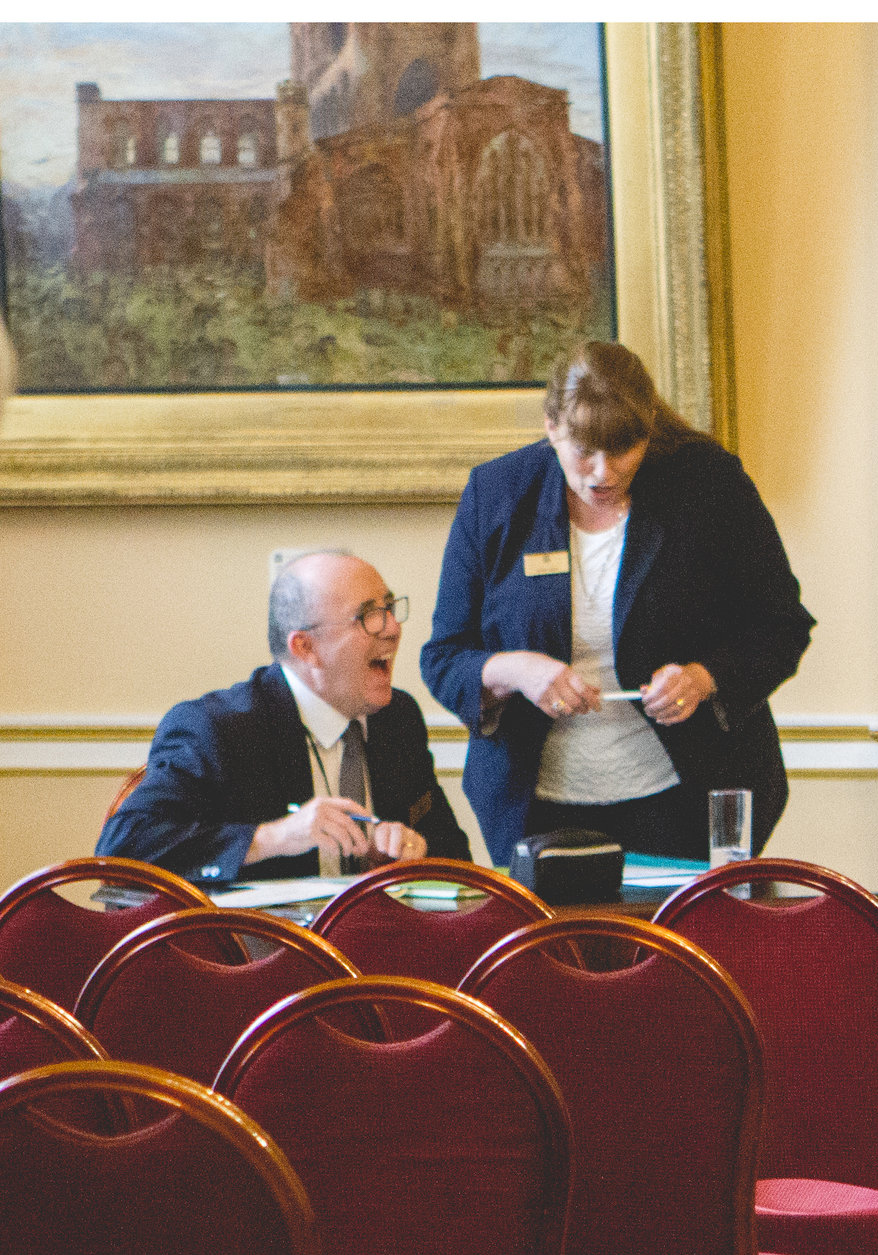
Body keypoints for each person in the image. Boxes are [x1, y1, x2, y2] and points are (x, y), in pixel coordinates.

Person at [420, 341, 814, 864]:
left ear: (649, 430)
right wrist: (515, 669)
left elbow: (781, 625)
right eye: (583, 451)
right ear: (551, 426)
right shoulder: (496, 495)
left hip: (685, 798)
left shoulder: (709, 485)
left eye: (623, 450)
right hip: (536, 808)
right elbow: (445, 657)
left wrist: (703, 677)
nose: (601, 473)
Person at [100, 551, 468, 885]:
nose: (391, 627)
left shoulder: (397, 718)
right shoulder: (219, 728)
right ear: (305, 647)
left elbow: (455, 857)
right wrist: (274, 838)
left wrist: (414, 853)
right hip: (255, 950)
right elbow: (122, 849)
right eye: (369, 616)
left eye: (389, 608)